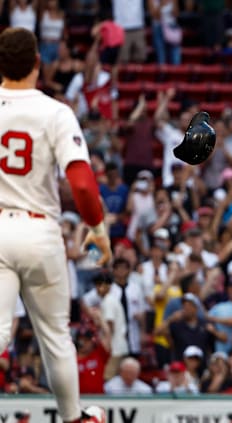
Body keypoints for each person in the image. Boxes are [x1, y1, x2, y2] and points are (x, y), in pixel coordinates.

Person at [0, 28, 111, 423]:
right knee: (55, 336)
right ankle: (72, 417)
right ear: (37, 63)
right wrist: (97, 228)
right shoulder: (54, 111)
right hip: (39, 230)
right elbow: (81, 182)